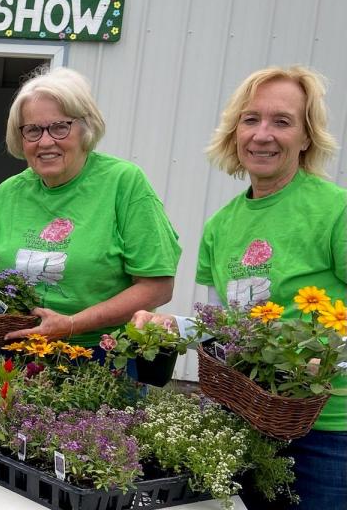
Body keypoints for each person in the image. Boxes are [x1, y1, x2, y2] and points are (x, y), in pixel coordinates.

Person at [133, 65, 346, 509]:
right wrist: (170, 326)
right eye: (251, 120)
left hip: (328, 433)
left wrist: (328, 358)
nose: (262, 134)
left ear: (306, 137)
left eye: (281, 121)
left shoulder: (334, 210)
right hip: (251, 422)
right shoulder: (220, 226)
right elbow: (223, 330)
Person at [0, 67, 181, 349]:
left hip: (102, 355)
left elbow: (157, 287)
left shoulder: (123, 183)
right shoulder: (9, 193)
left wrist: (71, 325)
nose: (45, 141)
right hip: (16, 352)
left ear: (86, 128)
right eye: (33, 130)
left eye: (59, 127)